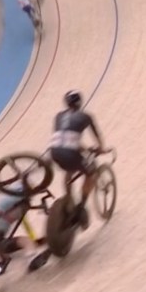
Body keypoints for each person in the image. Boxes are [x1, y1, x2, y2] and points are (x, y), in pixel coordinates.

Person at [48, 90, 107, 229]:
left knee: (70, 169)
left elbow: (64, 139)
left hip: (55, 152)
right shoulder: (86, 116)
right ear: (80, 102)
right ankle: (80, 207)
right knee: (90, 172)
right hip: (70, 154)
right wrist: (101, 148)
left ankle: (69, 200)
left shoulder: (58, 116)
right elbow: (97, 136)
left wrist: (84, 149)